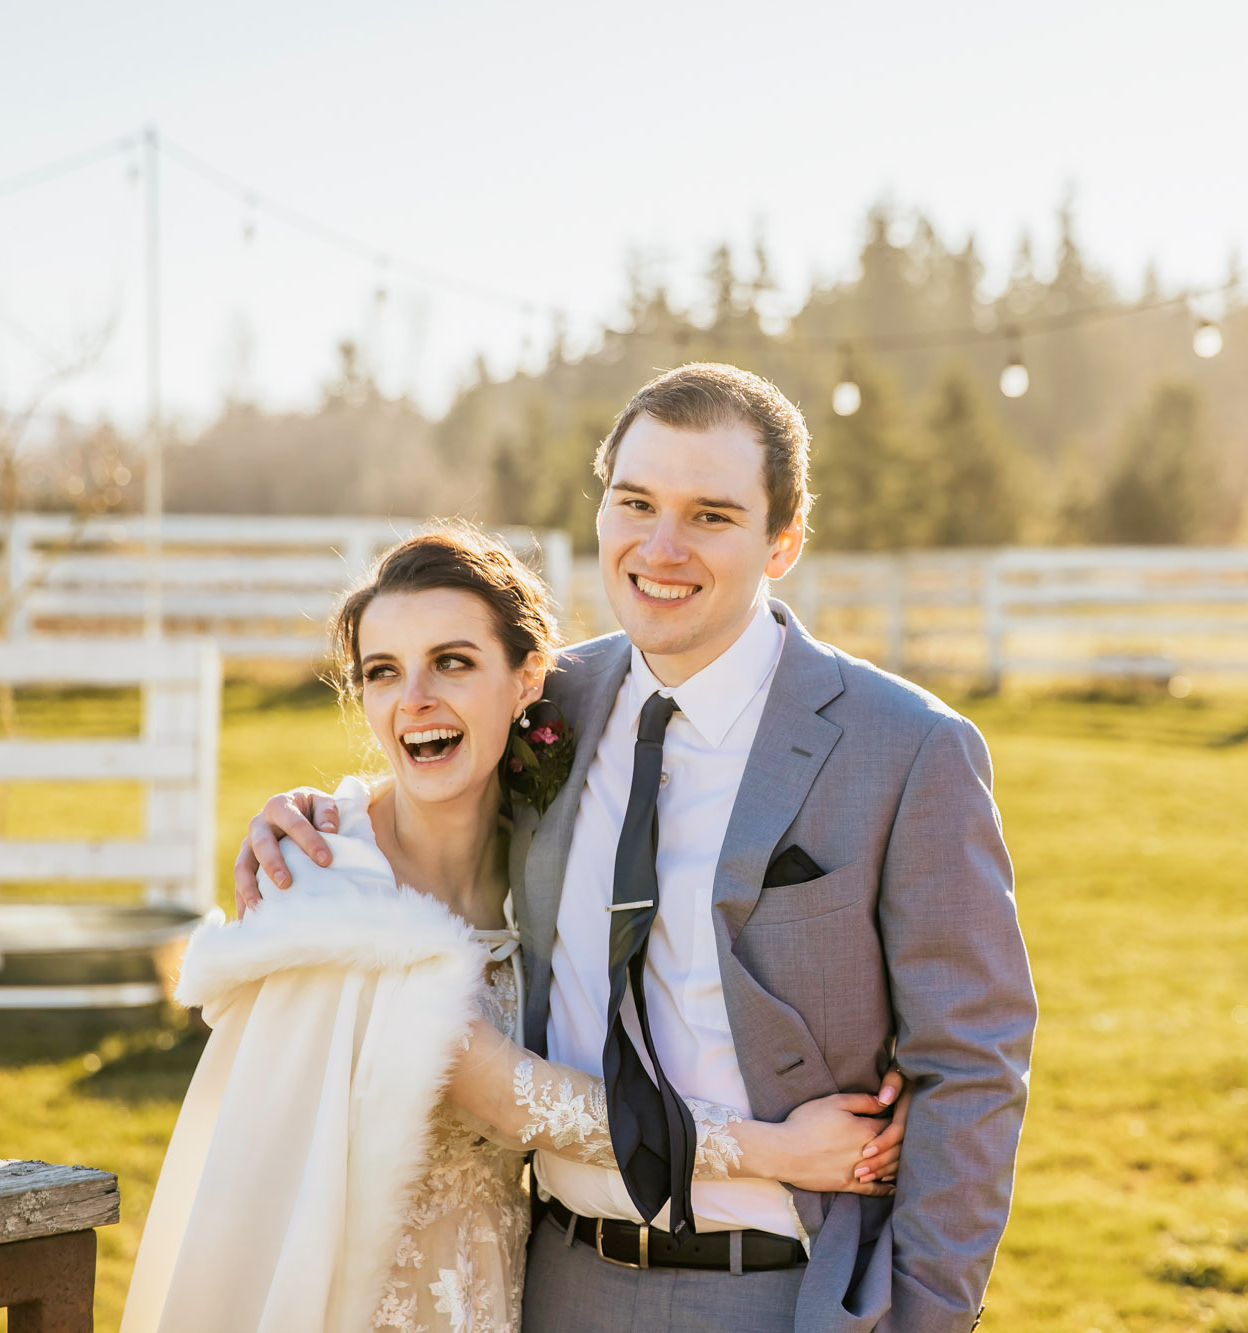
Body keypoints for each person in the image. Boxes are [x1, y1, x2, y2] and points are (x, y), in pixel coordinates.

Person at [239, 364, 1037, 1332]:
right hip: (556, 1279)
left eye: (711, 515)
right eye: (636, 503)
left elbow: (972, 1062)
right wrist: (310, 818)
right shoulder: (550, 702)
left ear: (782, 540)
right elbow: (420, 786)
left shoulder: (905, 747)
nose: (661, 548)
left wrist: (925, 1318)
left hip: (782, 1291)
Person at [123, 528, 904, 1333]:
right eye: (382, 672)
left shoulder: (544, 856)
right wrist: (776, 1150)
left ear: (527, 677)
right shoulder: (340, 887)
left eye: (452, 662)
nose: (414, 698)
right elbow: (515, 1102)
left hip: (504, 1290)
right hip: (350, 1299)